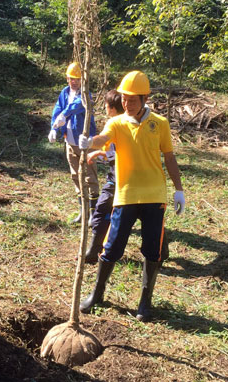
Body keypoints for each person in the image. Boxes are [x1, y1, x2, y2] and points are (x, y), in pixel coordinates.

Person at [78, 71, 185, 322]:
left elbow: (169, 157)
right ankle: (97, 294)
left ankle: (145, 303)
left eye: (132, 100)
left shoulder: (160, 124)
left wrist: (178, 189)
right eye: (124, 99)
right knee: (112, 246)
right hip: (125, 195)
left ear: (145, 98)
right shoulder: (117, 123)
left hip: (154, 195)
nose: (126, 104)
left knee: (152, 250)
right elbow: (104, 139)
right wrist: (89, 142)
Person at [48, 62, 99, 223]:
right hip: (69, 142)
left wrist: (64, 115)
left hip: (84, 143)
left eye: (77, 79)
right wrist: (54, 128)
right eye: (72, 79)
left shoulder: (85, 94)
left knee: (90, 177)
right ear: (67, 78)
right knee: (75, 176)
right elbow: (58, 110)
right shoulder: (64, 93)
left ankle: (93, 214)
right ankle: (82, 213)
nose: (74, 82)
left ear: (82, 80)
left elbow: (76, 106)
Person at [84, 90, 124, 264]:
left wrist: (93, 144)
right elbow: (112, 153)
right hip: (115, 176)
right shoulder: (117, 124)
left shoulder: (119, 125)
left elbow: (118, 154)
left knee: (103, 210)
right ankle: (94, 250)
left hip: (122, 179)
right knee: (102, 210)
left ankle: (161, 249)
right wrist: (98, 153)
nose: (105, 108)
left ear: (113, 108)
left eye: (106, 106)